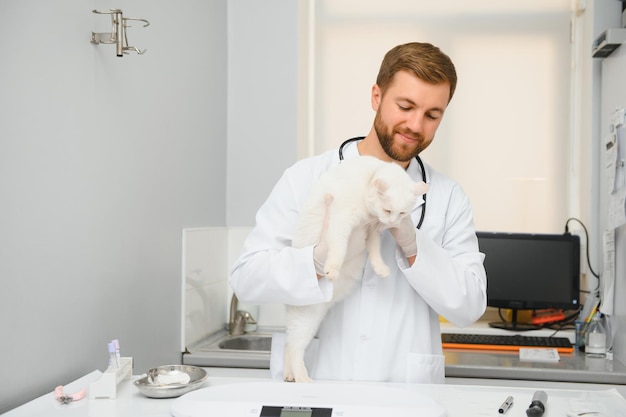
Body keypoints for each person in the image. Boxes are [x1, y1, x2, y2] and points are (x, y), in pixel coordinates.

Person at [230, 42, 487, 383]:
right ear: (376, 97)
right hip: (321, 382)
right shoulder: (308, 177)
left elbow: (469, 307)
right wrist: (316, 261)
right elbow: (247, 280)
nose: (415, 125)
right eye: (405, 106)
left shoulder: (448, 196)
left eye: (432, 115)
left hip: (404, 392)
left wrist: (414, 248)